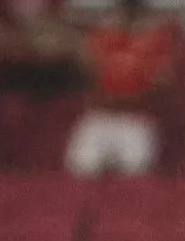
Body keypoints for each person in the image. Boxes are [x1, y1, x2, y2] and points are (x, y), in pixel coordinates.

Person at [64, 0, 175, 178]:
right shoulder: (101, 37)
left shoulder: (157, 40)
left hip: (135, 118)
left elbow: (162, 81)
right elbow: (88, 74)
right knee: (81, 165)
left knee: (135, 169)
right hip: (100, 115)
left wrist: (131, 95)